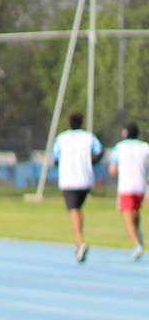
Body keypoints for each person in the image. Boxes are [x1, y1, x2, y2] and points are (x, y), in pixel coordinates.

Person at [52, 111, 104, 262]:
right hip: (86, 178)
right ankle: (78, 240)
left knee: (73, 210)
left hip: (69, 180)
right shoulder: (89, 137)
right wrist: (91, 162)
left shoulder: (61, 138)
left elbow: (55, 158)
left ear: (68, 123)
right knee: (78, 209)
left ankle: (81, 242)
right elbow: (100, 151)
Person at [107, 120, 148, 260]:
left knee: (127, 215)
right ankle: (138, 233)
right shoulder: (145, 147)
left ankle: (137, 244)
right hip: (141, 186)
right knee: (135, 212)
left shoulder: (120, 147)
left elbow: (112, 170)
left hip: (126, 186)